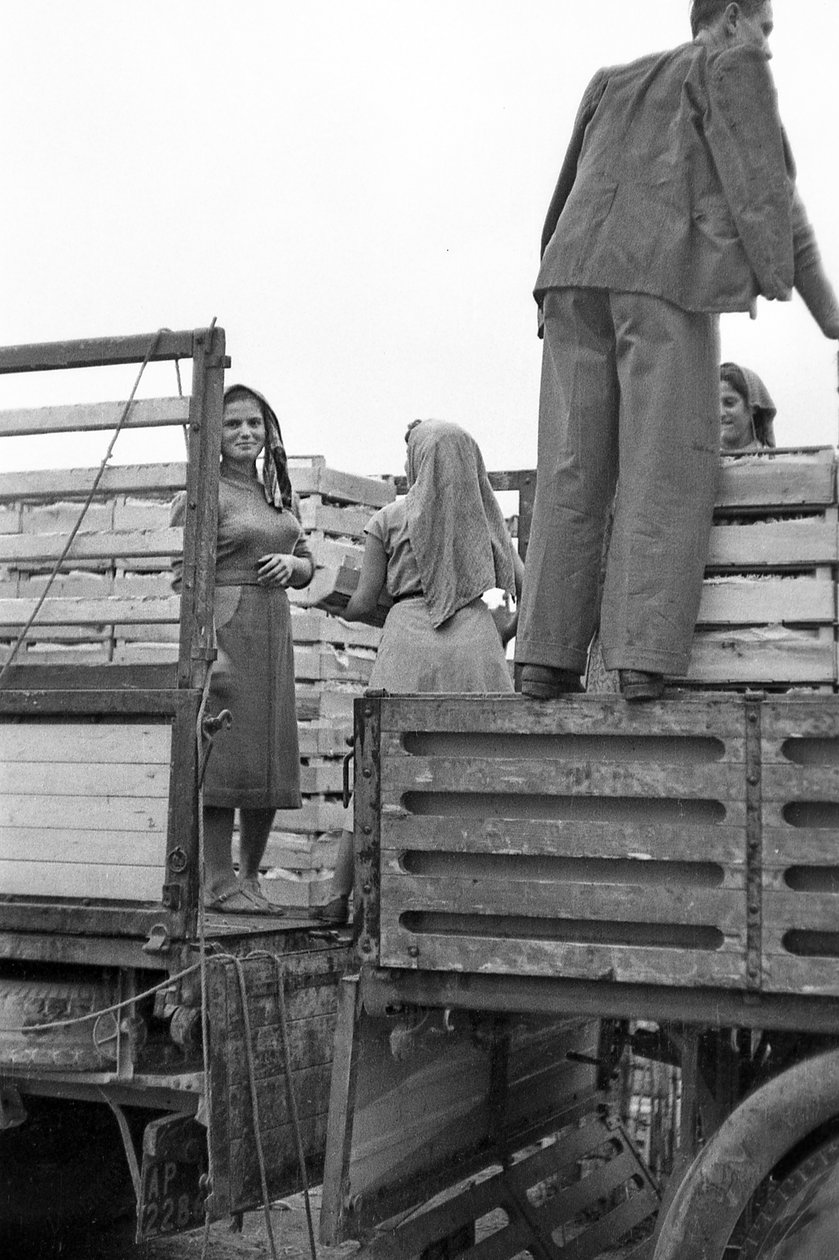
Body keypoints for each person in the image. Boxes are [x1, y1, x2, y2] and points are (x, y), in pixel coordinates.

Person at [515, 0, 839, 704]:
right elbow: (770, 195)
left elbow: (564, 194)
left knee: (572, 465)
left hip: (571, 277)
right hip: (662, 276)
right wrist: (828, 314)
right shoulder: (730, 66)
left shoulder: (611, 80)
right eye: (765, 30)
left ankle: (543, 656)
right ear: (731, 18)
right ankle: (640, 655)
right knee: (663, 464)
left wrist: (547, 285)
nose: (767, 48)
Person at [314, 418, 522, 924]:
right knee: (474, 769)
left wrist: (334, 603)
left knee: (379, 767)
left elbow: (365, 600)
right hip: (474, 642)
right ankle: (467, 900)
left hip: (407, 641)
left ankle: (340, 898)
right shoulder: (484, 519)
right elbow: (526, 588)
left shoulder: (389, 518)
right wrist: (499, 633)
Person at [172, 385, 314, 913]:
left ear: (267, 429)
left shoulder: (277, 490)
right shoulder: (203, 493)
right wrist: (208, 646)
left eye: (254, 423)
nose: (245, 433)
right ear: (213, 433)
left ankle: (250, 880)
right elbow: (185, 577)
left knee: (270, 758)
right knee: (224, 756)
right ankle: (216, 880)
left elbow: (307, 561)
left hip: (273, 632)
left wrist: (294, 566)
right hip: (226, 629)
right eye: (232, 424)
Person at [719, 362, 777, 451]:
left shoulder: (772, 459)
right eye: (713, 406)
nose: (720, 413)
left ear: (753, 407)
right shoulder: (699, 459)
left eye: (729, 403)